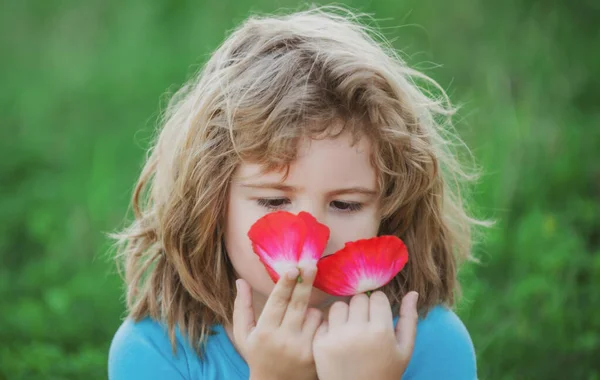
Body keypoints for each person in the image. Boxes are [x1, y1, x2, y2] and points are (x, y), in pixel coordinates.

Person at [108, 5, 483, 380]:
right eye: (274, 200)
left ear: (391, 208)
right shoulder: (157, 349)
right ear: (210, 202)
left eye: (345, 204)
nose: (314, 242)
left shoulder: (432, 343)